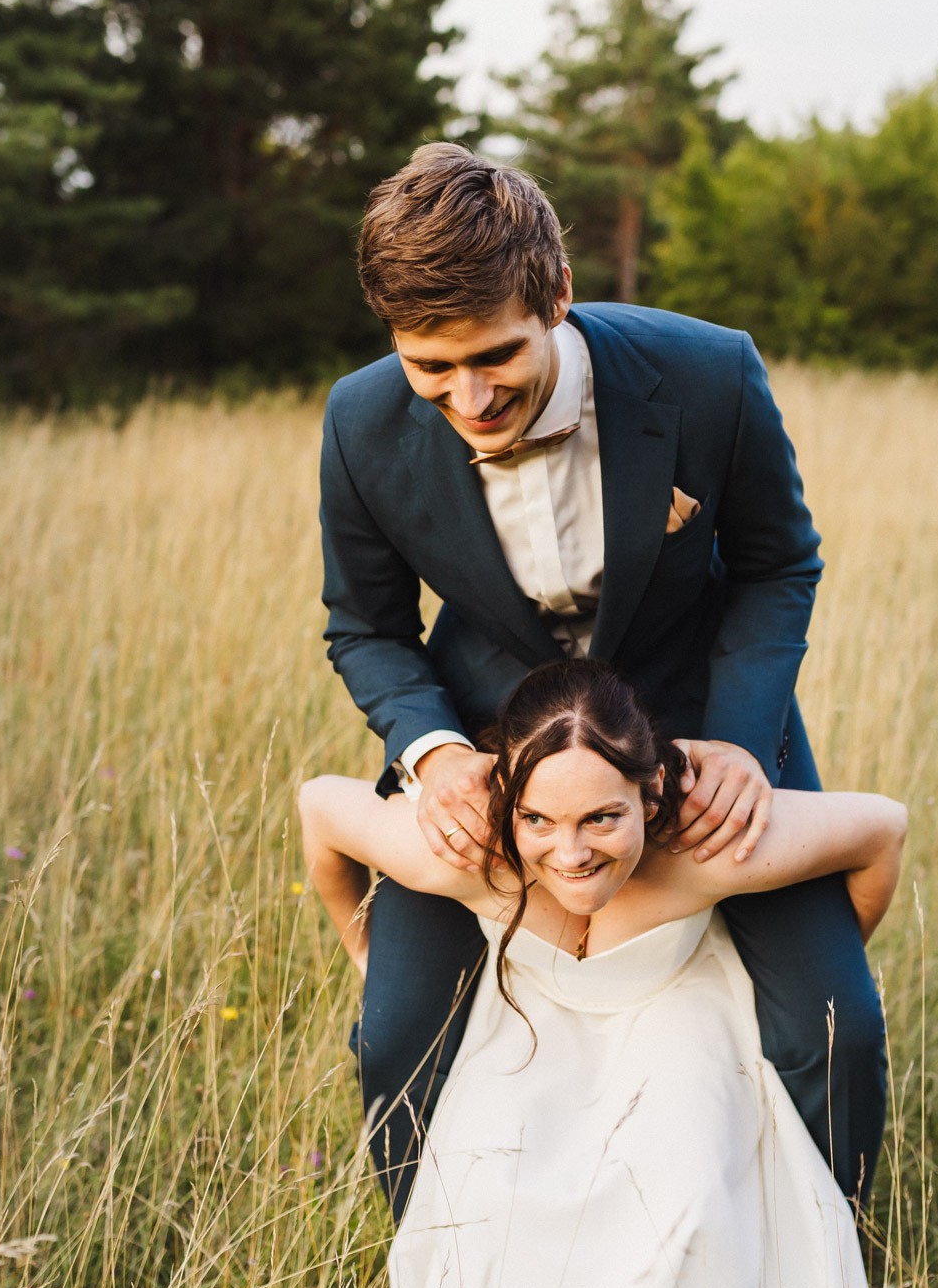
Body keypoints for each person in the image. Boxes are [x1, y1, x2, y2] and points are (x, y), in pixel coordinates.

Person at [320, 143, 889, 1220]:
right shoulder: (357, 420)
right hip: (487, 747)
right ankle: (436, 1266)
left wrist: (733, 738)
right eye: (429, 368)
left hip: (698, 723)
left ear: (559, 297)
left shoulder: (710, 373)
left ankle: (839, 1261)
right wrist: (435, 754)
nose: (469, 397)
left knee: (832, 1021)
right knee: (395, 1030)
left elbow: (777, 564)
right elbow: (365, 625)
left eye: (495, 356)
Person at [300, 660, 903, 1288]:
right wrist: (367, 956)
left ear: (651, 794)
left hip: (683, 1015)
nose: (571, 852)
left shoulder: (703, 848)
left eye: (602, 819)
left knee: (689, 1180)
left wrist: (833, 957)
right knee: (486, 1176)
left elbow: (882, 831)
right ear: (507, 801)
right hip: (536, 1028)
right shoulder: (476, 860)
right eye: (539, 818)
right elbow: (321, 808)